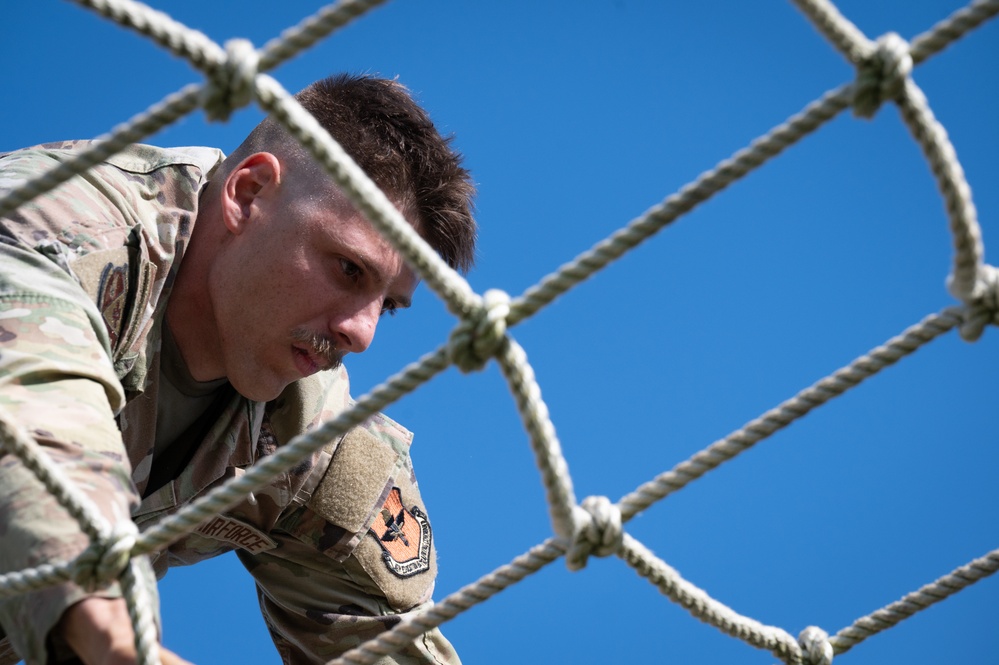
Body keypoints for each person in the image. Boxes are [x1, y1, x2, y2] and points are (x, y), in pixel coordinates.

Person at [0, 73, 476, 665]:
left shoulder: (311, 434)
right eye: (350, 270)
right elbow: (34, 416)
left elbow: (382, 644)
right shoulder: (53, 233)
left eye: (389, 304)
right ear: (248, 194)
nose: (362, 333)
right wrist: (116, 636)